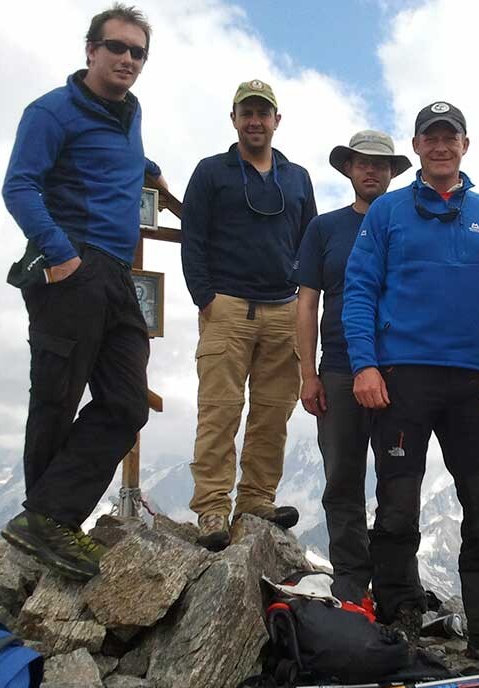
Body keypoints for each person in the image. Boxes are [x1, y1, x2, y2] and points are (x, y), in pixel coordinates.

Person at [343, 101, 479, 664]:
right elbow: (358, 289)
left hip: (475, 380)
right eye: (432, 136)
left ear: (465, 146)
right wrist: (364, 364)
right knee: (397, 503)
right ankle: (400, 614)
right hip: (402, 377)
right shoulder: (388, 213)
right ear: (418, 146)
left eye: (451, 137)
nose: (442, 145)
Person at [0, 4, 168, 580]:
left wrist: (150, 172)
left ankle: (45, 517)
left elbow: (121, 158)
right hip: (71, 267)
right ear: (90, 50)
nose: (126, 59)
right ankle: (48, 525)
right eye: (116, 47)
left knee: (126, 403)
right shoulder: (51, 111)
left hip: (117, 275)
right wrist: (63, 252)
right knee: (56, 395)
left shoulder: (130, 112)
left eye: (137, 52)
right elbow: (19, 185)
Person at [181, 79, 317, 550]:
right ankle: (213, 508)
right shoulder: (210, 172)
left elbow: (309, 243)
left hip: (283, 309)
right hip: (228, 307)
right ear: (234, 118)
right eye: (247, 112)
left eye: (264, 113)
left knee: (273, 413)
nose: (256, 121)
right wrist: (206, 297)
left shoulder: (297, 177)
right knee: (218, 410)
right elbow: (192, 237)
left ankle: (257, 499)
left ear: (277, 120)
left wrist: (304, 299)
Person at [296, 131, 412, 603]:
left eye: (382, 165)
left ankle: (397, 584)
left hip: (401, 370)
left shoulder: (408, 224)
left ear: (392, 173)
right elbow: (306, 304)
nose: (372, 171)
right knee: (342, 476)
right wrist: (308, 373)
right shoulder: (324, 229)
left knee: (399, 480)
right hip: (341, 369)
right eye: (363, 163)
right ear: (349, 169)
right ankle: (350, 577)